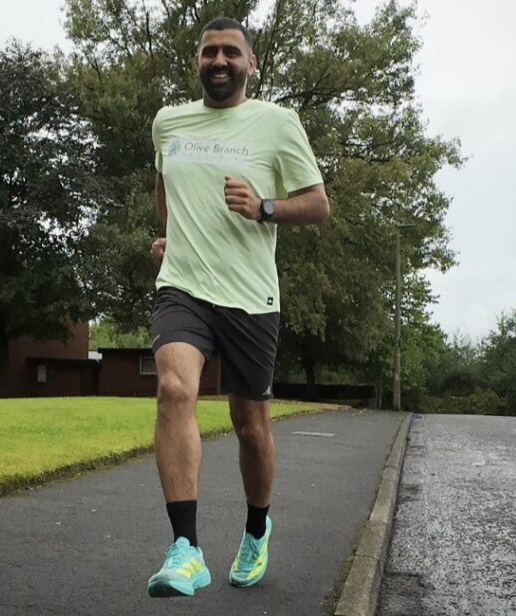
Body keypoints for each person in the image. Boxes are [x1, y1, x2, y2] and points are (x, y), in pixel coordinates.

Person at [145, 16, 330, 598]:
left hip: (252, 297)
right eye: (209, 53)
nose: (219, 61)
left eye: (230, 53)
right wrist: (174, 236)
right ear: (197, 62)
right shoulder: (168, 122)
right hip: (183, 288)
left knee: (249, 426)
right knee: (175, 389)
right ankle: (186, 550)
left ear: (250, 64)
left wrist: (265, 208)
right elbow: (166, 190)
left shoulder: (277, 123)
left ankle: (256, 528)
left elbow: (319, 204)